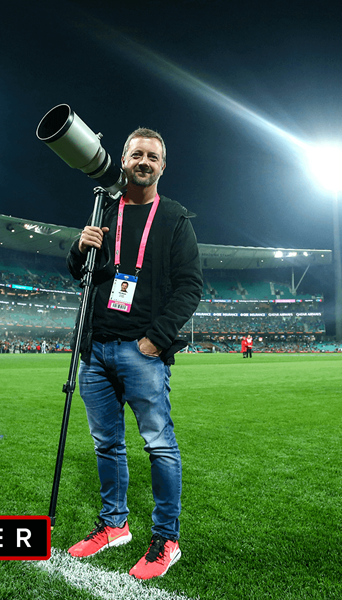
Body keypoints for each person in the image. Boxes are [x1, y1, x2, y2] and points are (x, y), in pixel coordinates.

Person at [66, 127, 203, 580]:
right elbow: (83, 273)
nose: (144, 162)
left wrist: (156, 340)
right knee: (107, 443)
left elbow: (190, 287)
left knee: (159, 446)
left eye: (153, 156)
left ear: (162, 166)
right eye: (136, 154)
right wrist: (78, 249)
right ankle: (113, 526)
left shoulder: (175, 218)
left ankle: (167, 539)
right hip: (96, 349)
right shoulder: (105, 209)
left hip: (142, 351)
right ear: (122, 160)